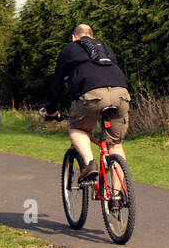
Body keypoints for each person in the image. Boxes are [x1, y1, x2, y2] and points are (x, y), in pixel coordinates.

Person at [43, 24, 131, 182]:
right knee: (115, 145)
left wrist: (50, 110)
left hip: (93, 95)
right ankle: (116, 199)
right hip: (121, 94)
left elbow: (57, 83)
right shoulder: (105, 47)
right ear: (93, 37)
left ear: (73, 37)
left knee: (77, 128)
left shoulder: (70, 49)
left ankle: (89, 164)